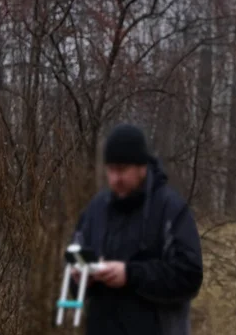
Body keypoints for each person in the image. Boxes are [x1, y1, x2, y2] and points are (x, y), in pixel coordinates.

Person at [67, 123, 203, 335]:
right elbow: (75, 262)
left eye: (122, 170)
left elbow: (189, 276)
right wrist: (81, 276)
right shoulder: (96, 209)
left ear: (142, 167)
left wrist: (130, 274)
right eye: (110, 170)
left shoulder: (170, 209)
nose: (114, 178)